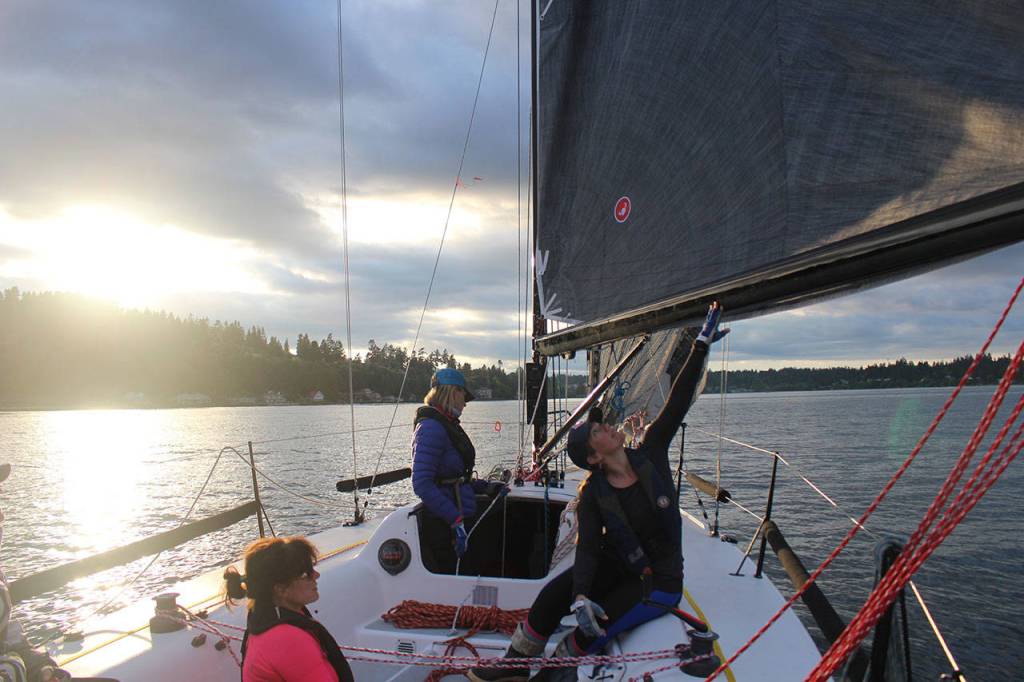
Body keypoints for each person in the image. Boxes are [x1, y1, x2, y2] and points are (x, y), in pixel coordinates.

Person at [469, 303, 729, 682]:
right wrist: (579, 596)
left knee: (589, 634)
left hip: (659, 582)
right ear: (594, 456)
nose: (607, 428)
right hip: (616, 566)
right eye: (598, 432)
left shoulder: (652, 453)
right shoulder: (594, 493)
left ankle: (549, 676)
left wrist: (701, 345)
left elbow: (675, 406)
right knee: (549, 599)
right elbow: (589, 548)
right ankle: (515, 664)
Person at [412, 368, 506, 574]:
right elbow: (422, 483)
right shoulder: (431, 428)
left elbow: (455, 475)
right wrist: (455, 520)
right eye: (464, 395)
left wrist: (486, 486)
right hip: (445, 525)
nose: (465, 403)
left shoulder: (446, 425)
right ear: (452, 392)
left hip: (460, 516)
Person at [224, 536, 353, 682]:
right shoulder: (287, 639)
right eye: (305, 574)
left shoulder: (265, 617)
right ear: (280, 589)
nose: (316, 575)